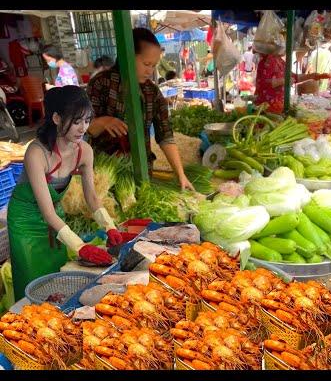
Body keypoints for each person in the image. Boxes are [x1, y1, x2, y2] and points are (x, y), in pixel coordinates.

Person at [7, 86, 122, 300]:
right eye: (76, 121)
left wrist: (110, 226)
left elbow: (92, 198)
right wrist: (80, 247)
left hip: (55, 219)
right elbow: (47, 213)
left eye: (87, 121)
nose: (83, 128)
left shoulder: (84, 151)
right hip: (26, 220)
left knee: (57, 277)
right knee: (31, 280)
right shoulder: (36, 153)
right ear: (57, 118)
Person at [87, 28, 194, 190]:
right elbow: (84, 130)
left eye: (154, 65)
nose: (150, 71)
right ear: (127, 56)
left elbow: (165, 136)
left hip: (142, 174)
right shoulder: (101, 83)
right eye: (146, 64)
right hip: (104, 178)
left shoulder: (152, 92)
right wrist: (103, 122)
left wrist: (180, 175)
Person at [254, 44, 327, 114]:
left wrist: (311, 76)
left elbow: (293, 77)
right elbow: (263, 83)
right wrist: (284, 81)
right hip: (265, 105)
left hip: (278, 104)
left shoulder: (280, 61)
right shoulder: (267, 61)